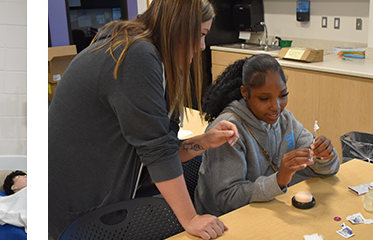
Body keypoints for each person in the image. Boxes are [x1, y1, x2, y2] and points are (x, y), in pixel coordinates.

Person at [48, 0, 240, 239]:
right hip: (77, 213)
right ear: (178, 27)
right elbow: (157, 151)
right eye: (200, 35)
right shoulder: (136, 54)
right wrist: (190, 219)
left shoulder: (152, 56)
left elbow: (163, 147)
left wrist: (205, 141)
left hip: (106, 191)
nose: (202, 46)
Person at [194, 54, 340, 216]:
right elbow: (226, 200)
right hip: (224, 222)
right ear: (245, 93)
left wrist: (324, 157)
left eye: (283, 95)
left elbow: (327, 169)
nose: (276, 106)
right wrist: (278, 180)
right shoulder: (227, 130)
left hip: (268, 210)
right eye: (264, 98)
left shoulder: (285, 120)